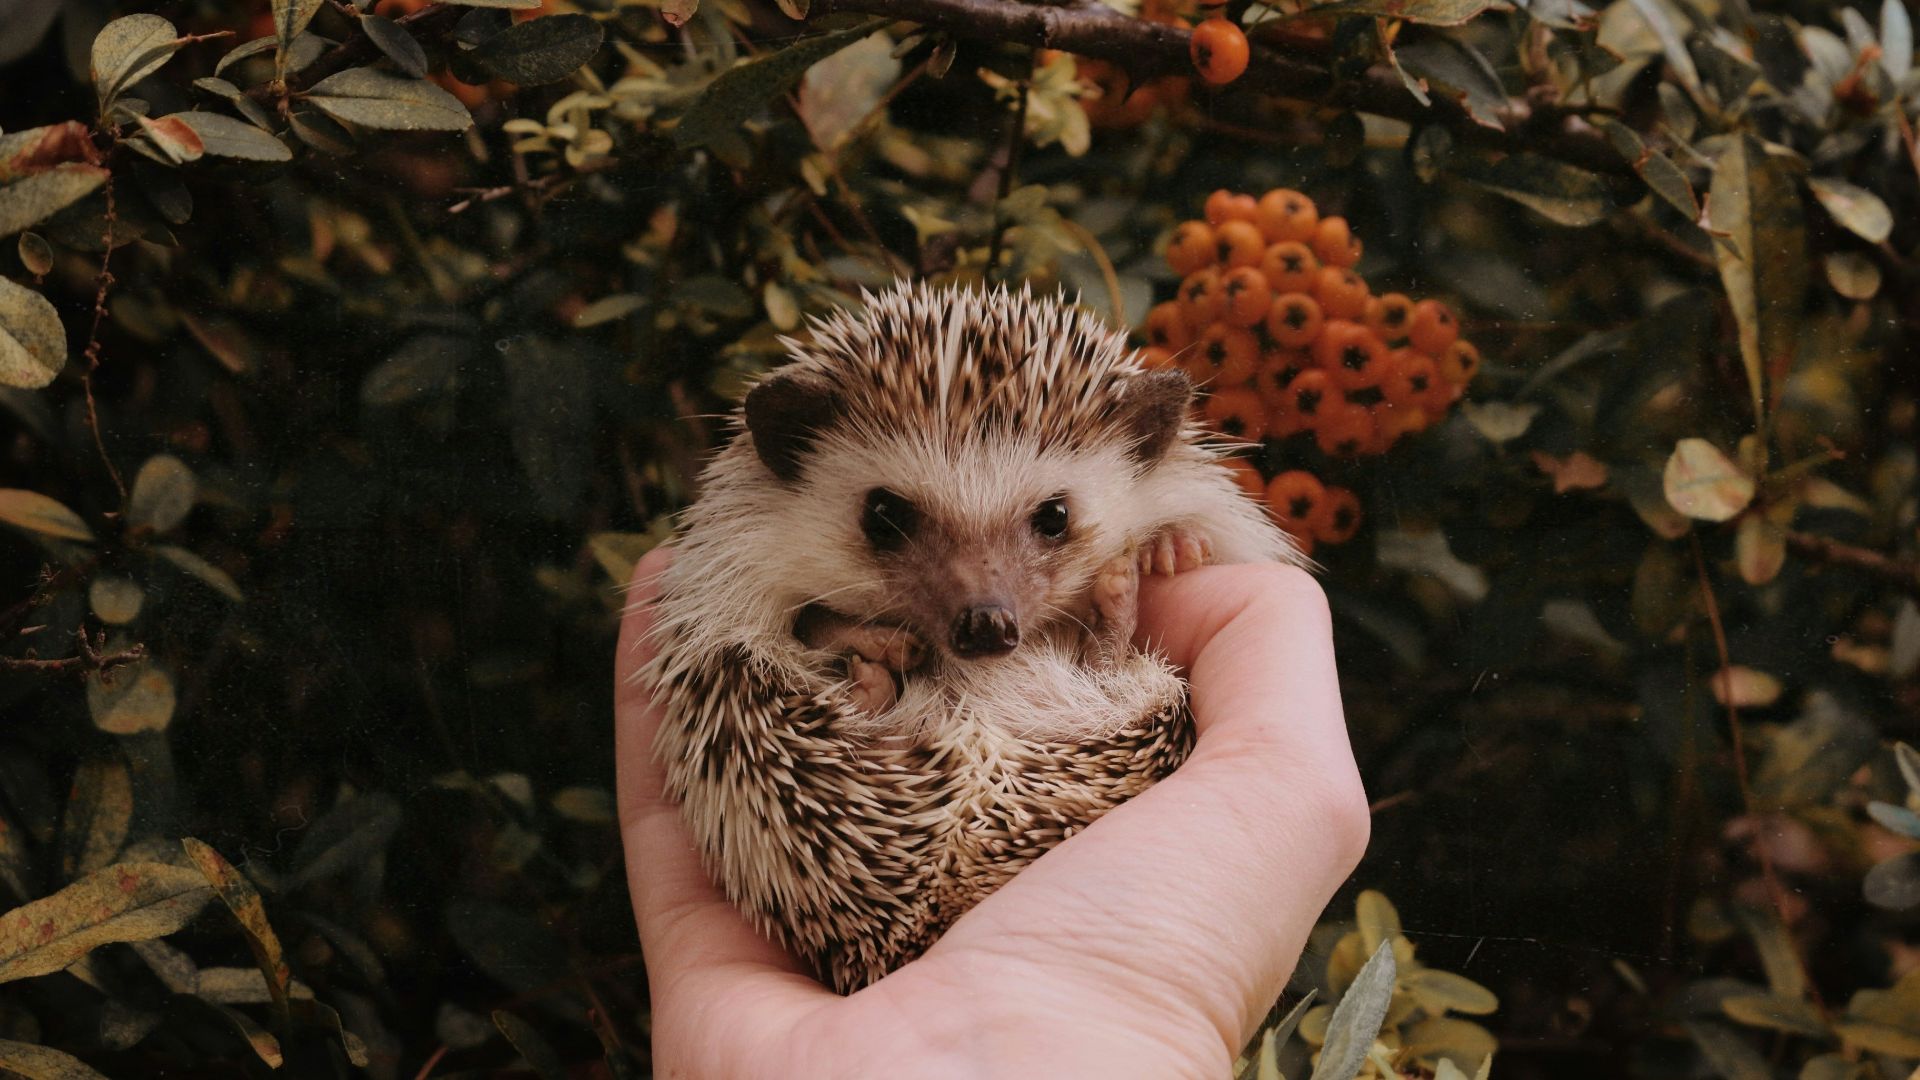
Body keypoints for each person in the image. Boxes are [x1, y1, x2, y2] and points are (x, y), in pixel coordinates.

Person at [615, 547, 1369, 1078]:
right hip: (1006, 752)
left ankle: (889, 708)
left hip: (949, 768)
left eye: (1048, 522)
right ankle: (1076, 658)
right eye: (893, 521)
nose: (981, 597)